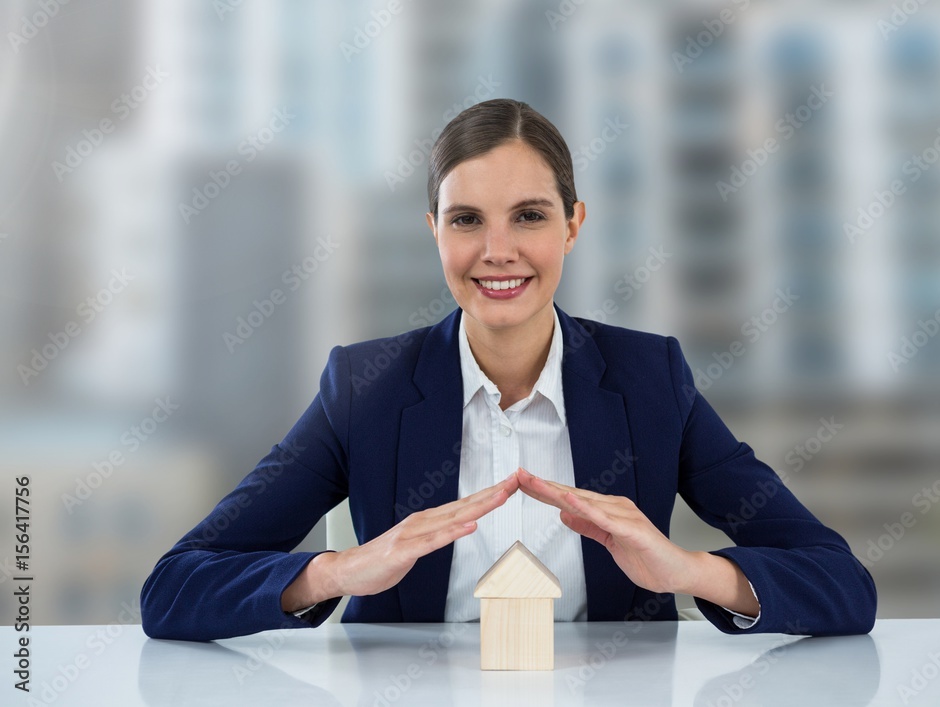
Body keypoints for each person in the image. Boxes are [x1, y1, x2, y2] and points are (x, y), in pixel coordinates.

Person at [140, 98, 877, 642]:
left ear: (573, 225)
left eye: (528, 215)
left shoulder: (652, 377)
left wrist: (687, 571)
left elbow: (843, 584)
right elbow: (172, 589)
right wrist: (338, 571)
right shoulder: (363, 387)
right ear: (434, 233)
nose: (498, 250)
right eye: (466, 220)